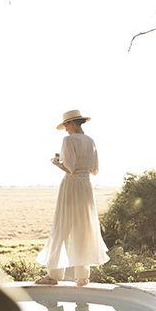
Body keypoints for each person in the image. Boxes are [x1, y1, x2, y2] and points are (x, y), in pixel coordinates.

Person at [35, 110, 110, 286]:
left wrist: (56, 163)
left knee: (63, 226)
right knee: (83, 227)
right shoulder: (90, 141)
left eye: (66, 126)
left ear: (70, 123)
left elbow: (69, 168)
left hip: (71, 186)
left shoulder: (68, 140)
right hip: (86, 186)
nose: (65, 130)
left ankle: (53, 276)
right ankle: (83, 277)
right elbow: (94, 169)